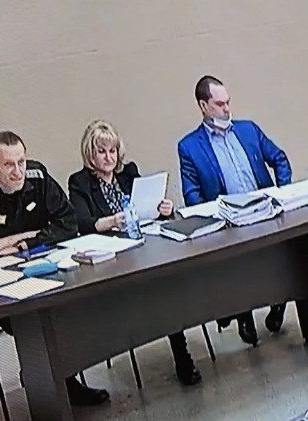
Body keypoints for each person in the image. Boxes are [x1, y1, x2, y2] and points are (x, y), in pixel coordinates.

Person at [0, 130, 110, 406]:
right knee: (36, 319)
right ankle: (48, 382)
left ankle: (57, 378)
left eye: (21, 162)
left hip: (39, 270)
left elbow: (68, 223)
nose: (18, 171)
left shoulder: (38, 177)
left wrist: (27, 243)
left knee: (68, 305)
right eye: (8, 165)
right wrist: (0, 245)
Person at [68, 119, 202, 386]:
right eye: (101, 151)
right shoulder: (79, 182)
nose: (109, 157)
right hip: (110, 260)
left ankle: (182, 355)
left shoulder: (128, 173)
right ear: (90, 154)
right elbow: (80, 223)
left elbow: (146, 208)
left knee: (166, 290)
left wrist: (163, 209)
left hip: (142, 250)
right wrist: (110, 222)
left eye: (112, 150)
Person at [177, 75, 292, 346]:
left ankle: (279, 303)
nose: (227, 109)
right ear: (203, 106)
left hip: (265, 212)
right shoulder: (189, 147)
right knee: (238, 269)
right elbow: (192, 194)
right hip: (230, 224)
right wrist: (215, 218)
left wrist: (283, 193)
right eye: (219, 104)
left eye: (228, 102)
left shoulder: (248, 130)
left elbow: (279, 158)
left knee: (288, 259)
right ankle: (243, 314)